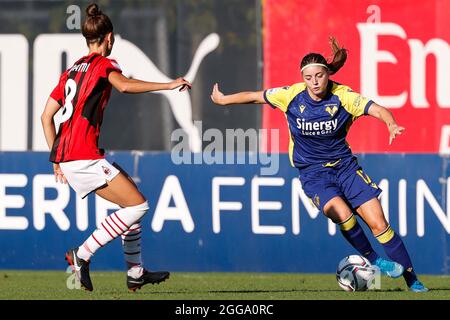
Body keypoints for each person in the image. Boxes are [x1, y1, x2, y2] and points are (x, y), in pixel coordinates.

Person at [210, 37, 428, 292]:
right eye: (309, 77)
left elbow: (377, 109)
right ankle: (375, 259)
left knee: (380, 224)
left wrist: (390, 123)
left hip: (346, 168)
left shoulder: (342, 96)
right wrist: (223, 101)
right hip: (313, 174)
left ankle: (413, 280)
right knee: (340, 213)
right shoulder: (290, 96)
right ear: (303, 78)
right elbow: (253, 96)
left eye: (319, 76)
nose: (314, 82)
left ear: (327, 74)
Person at [41, 3, 192, 292]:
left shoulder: (71, 71)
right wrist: (168, 85)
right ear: (109, 38)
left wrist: (55, 160)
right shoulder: (104, 65)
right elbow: (125, 86)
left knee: (129, 204)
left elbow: (46, 116)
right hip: (83, 156)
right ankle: (81, 255)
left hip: (73, 157)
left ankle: (135, 272)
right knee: (140, 206)